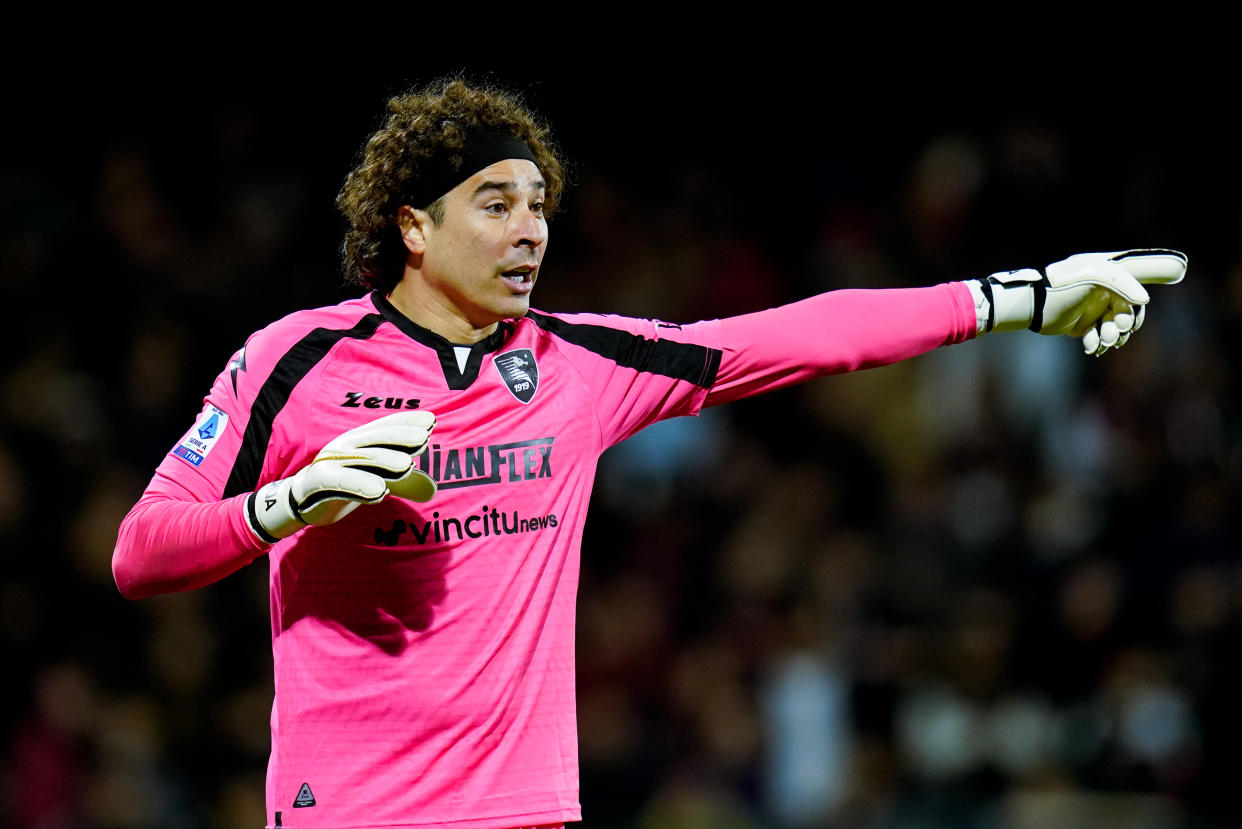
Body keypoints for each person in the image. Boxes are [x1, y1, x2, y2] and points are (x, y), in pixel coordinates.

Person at [111, 78, 1186, 829]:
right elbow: (141, 552)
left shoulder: (579, 364)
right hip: (350, 814)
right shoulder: (292, 362)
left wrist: (1020, 296)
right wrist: (286, 503)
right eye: (495, 204)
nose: (530, 231)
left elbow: (801, 334)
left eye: (539, 206)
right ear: (414, 227)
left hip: (527, 812)